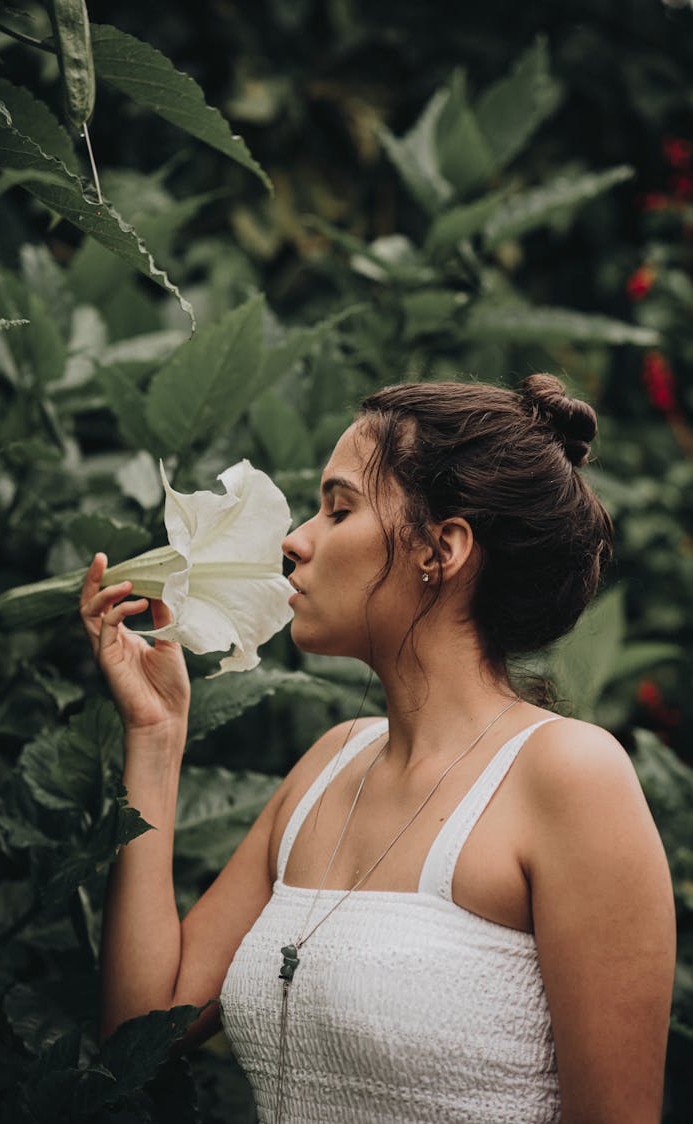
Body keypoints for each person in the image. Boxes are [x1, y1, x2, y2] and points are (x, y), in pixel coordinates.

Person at [80, 374, 676, 1124]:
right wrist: (157, 736)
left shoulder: (569, 777)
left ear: (442, 549)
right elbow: (143, 1032)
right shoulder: (329, 767)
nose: (296, 540)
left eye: (339, 509)